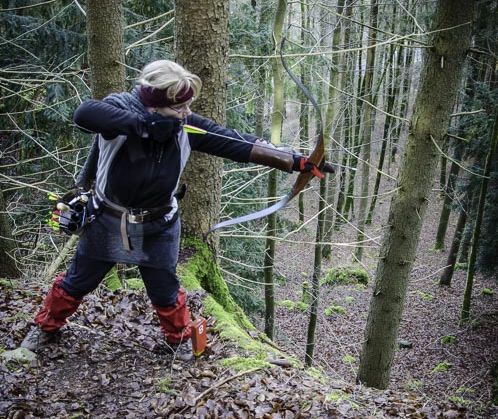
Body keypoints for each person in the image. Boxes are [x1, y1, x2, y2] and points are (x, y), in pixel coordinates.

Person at [21, 59, 333, 361]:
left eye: (187, 106)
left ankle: (182, 341)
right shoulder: (120, 111)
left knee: (165, 289)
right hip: (109, 221)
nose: (186, 113)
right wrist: (144, 126)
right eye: (179, 107)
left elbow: (238, 143)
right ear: (154, 102)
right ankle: (44, 328)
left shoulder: (185, 125)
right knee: (77, 282)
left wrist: (296, 161)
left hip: (158, 226)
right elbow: (85, 113)